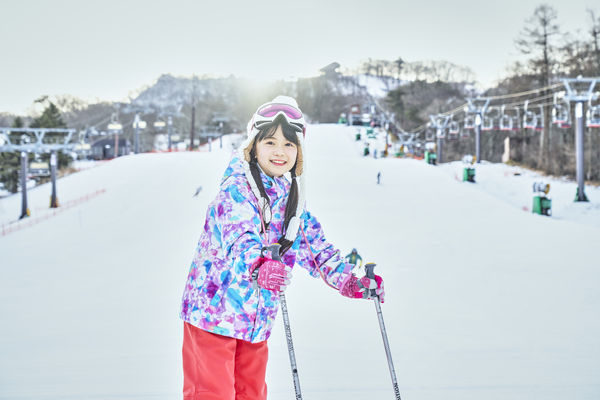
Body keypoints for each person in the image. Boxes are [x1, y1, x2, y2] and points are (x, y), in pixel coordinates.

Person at [179, 95, 385, 400]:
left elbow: (315, 247)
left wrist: (348, 280)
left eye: (289, 144)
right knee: (213, 394)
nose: (280, 151)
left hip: (255, 320)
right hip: (213, 315)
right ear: (254, 146)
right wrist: (259, 265)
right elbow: (239, 237)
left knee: (251, 395)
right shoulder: (235, 189)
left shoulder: (290, 196)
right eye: (270, 142)